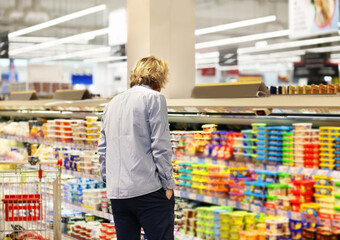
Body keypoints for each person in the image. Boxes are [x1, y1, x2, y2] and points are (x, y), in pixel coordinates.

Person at [98, 56, 175, 240]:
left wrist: (109, 181)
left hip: (118, 194)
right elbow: (161, 145)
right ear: (158, 77)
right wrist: (168, 184)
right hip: (147, 190)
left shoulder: (112, 103)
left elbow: (102, 149)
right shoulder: (154, 98)